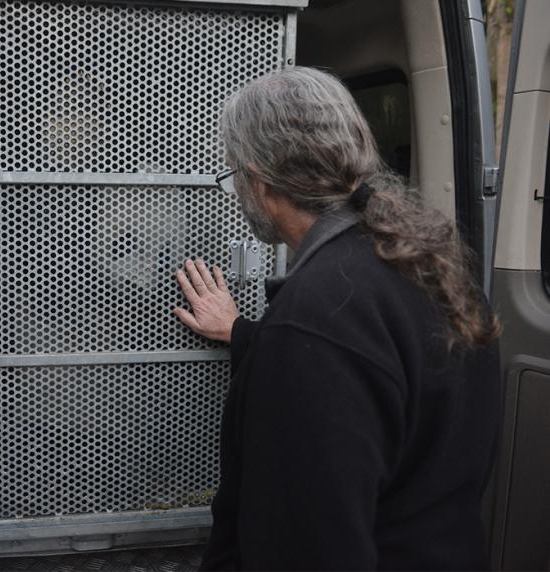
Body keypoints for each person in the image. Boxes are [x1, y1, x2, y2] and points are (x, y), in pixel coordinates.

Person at [173, 67, 501, 570]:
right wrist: (242, 333)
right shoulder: (434, 266)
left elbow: (305, 547)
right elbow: (372, 379)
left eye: (234, 175)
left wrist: (279, 339)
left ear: (259, 182)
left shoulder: (315, 316)